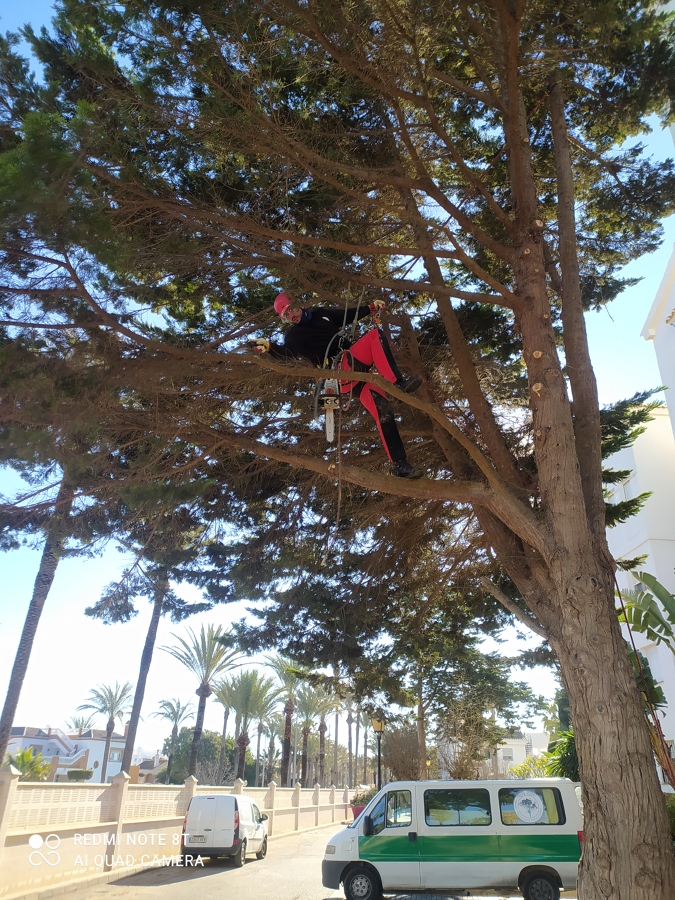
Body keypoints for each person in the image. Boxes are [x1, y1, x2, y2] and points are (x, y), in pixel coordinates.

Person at [252, 291, 424, 478]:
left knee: (384, 412)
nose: (291, 316)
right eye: (286, 315)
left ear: (300, 305)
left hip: (357, 377)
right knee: (375, 336)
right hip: (340, 369)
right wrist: (269, 347)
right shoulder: (294, 336)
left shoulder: (321, 314)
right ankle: (398, 383)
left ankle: (400, 465)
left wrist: (370, 308)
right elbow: (287, 355)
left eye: (291, 310)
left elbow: (347, 315)